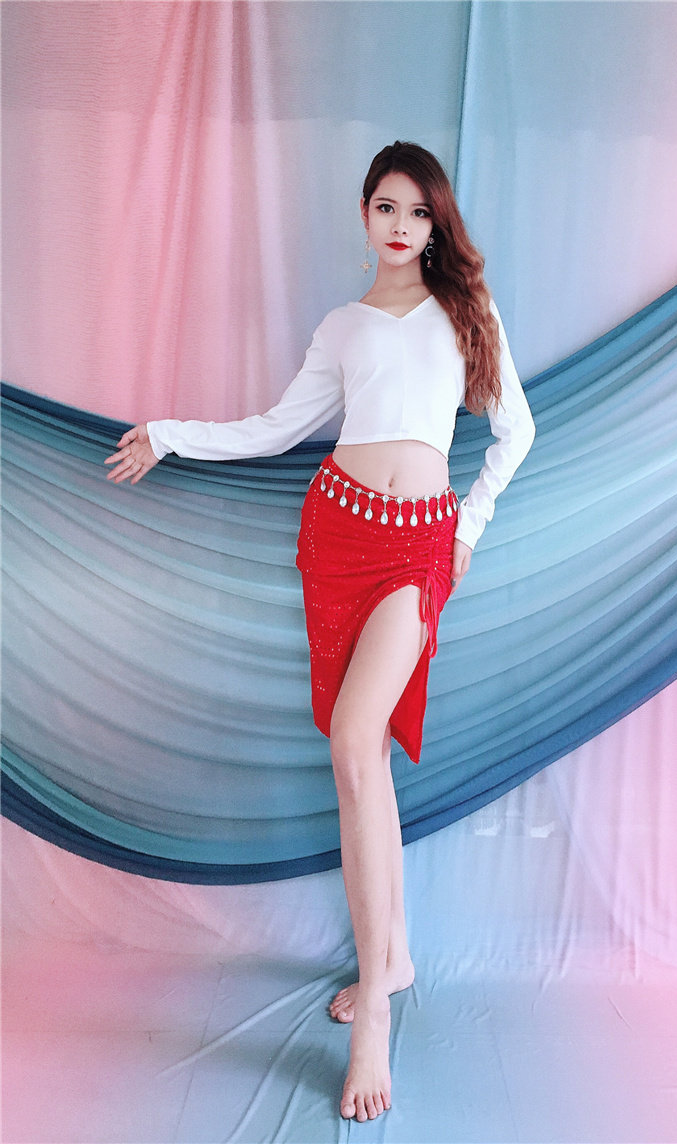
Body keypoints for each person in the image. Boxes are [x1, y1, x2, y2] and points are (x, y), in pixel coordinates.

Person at [105, 141, 535, 1123]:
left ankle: (374, 1007)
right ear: (364, 214)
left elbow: (516, 430)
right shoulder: (342, 326)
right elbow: (273, 429)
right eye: (385, 207)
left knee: (352, 742)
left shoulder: (467, 311)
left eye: (416, 212)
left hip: (418, 548)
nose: (400, 226)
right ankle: (393, 955)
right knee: (362, 756)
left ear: (435, 224)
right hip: (337, 536)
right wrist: (168, 435)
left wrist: (467, 529)